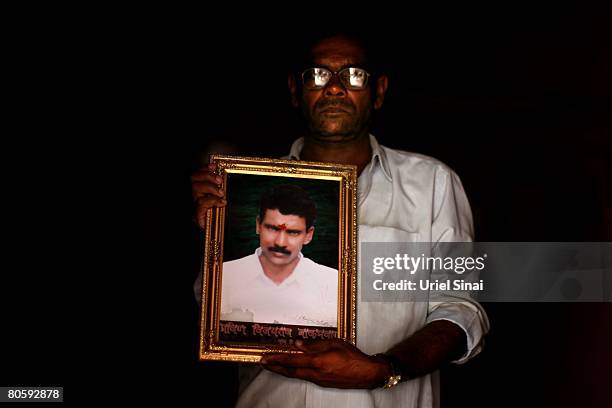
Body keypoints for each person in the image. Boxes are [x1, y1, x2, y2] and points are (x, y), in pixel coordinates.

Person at [191, 31, 489, 408]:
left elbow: (463, 310)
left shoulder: (433, 184)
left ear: (378, 91)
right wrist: (216, 232)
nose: (334, 88)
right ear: (295, 91)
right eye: (318, 75)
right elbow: (214, 314)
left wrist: (384, 368)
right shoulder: (246, 189)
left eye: (353, 76)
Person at [220, 184, 338, 327]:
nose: (280, 243)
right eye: (272, 228)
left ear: (308, 235)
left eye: (293, 232)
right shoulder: (223, 275)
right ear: (258, 225)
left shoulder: (333, 283)